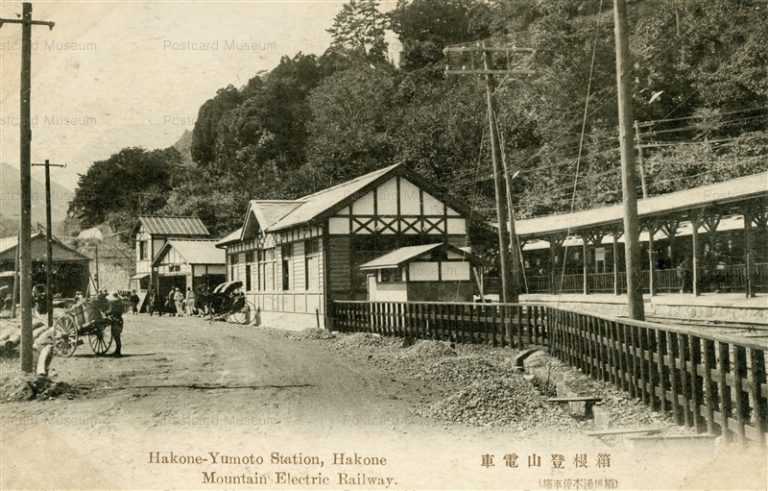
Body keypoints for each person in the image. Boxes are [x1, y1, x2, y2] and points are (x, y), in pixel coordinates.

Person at [106, 291, 124, 357]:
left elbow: (110, 311)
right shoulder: (120, 304)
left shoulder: (114, 305)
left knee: (116, 336)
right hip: (119, 320)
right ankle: (117, 351)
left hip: (116, 321)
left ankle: (118, 352)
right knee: (117, 336)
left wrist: (106, 313)